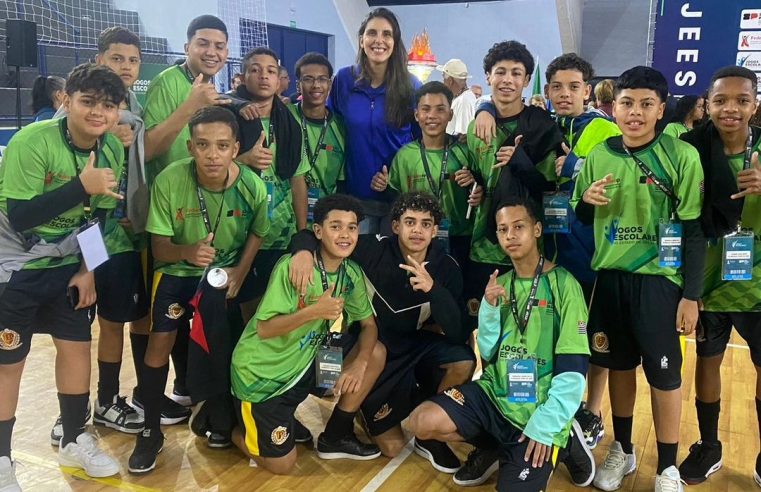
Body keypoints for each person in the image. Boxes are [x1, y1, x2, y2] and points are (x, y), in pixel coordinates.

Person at [571, 66, 706, 492]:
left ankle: (667, 467)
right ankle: (624, 449)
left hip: (660, 282)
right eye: (627, 103)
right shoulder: (599, 155)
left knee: (665, 375)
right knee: (619, 368)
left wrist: (692, 295)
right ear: (614, 107)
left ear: (661, 109)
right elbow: (580, 211)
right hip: (611, 278)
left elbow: (695, 229)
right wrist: (588, 202)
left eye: (646, 104)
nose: (635, 112)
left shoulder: (680, 155)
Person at [406, 195, 594, 491]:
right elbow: (490, 353)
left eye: (518, 226)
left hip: (538, 408)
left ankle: (565, 435)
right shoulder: (500, 285)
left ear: (537, 229)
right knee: (422, 421)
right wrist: (490, 309)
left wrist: (546, 426)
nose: (510, 235)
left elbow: (573, 369)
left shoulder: (564, 285)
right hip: (496, 394)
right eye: (503, 229)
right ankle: (496, 445)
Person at [0, 63, 127, 487]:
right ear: (67, 100)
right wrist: (80, 186)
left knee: (76, 350)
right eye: (88, 102)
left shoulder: (112, 150)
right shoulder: (31, 142)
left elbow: (101, 220)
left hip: (67, 268)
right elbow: (20, 216)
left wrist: (88, 270)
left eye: (108, 106)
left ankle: (74, 440)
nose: (98, 113)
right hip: (14, 268)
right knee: (8, 364)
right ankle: (1, 459)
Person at [127, 106, 269, 473]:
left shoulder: (252, 185)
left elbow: (258, 231)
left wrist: (240, 269)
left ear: (236, 148)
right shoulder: (171, 180)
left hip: (221, 276)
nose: (212, 154)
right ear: (190, 147)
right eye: (203, 145)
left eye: (222, 146)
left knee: (221, 347)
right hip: (176, 270)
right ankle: (150, 429)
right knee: (160, 342)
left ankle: (219, 420)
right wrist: (187, 252)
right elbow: (159, 249)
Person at [289, 192, 475, 471]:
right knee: (392, 447)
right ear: (395, 225)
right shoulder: (372, 249)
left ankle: (431, 437)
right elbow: (310, 235)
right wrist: (302, 252)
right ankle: (338, 427)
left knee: (464, 358)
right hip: (366, 343)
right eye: (410, 222)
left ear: (435, 231)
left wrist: (434, 290)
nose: (417, 230)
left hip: (412, 347)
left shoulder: (447, 267)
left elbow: (458, 331)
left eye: (426, 224)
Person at [230, 194, 386, 474]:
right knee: (282, 466)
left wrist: (360, 364)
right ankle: (222, 425)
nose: (345, 235)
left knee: (375, 352)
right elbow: (264, 329)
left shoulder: (351, 273)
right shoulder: (295, 267)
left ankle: (336, 435)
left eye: (352, 227)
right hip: (264, 377)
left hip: (306, 365)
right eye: (336, 226)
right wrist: (315, 312)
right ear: (318, 231)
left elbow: (369, 325)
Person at [49, 26, 150, 445]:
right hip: (73, 244)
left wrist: (134, 214)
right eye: (116, 58)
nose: (124, 66)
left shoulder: (137, 110)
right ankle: (69, 415)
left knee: (114, 324)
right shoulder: (72, 114)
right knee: (72, 331)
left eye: (131, 60)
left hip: (121, 238)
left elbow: (141, 170)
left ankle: (107, 400)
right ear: (98, 60)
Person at [140, 14, 232, 417]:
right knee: (159, 315)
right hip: (168, 215)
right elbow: (149, 147)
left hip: (204, 219)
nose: (211, 51)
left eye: (219, 46)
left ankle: (184, 387)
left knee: (196, 310)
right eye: (203, 43)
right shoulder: (168, 84)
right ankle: (148, 399)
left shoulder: (215, 89)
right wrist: (190, 105)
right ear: (187, 47)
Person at [677, 66, 761, 486]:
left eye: (741, 100)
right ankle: (709, 445)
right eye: (721, 100)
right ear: (706, 105)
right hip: (707, 284)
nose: (731, 108)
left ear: (754, 105)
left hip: (758, 286)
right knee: (706, 365)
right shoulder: (689, 149)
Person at [228, 47, 307, 320]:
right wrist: (243, 159)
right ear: (243, 77)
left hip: (278, 233)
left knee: (271, 311)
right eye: (255, 70)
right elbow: (208, 167)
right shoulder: (227, 115)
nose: (264, 76)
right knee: (237, 312)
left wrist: (303, 234)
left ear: (279, 79)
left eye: (271, 71)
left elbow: (298, 180)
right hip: (235, 230)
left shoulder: (290, 123)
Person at [329, 7, 421, 234]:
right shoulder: (344, 79)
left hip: (398, 199)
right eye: (372, 33)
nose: (379, 40)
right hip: (355, 197)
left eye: (387, 34)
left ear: (395, 42)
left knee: (392, 266)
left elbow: (423, 143)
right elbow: (328, 125)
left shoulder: (412, 87)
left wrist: (395, 176)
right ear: (361, 40)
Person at [383, 81, 481, 272]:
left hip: (460, 238)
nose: (432, 116)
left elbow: (480, 189)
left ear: (450, 114)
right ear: (416, 115)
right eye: (426, 109)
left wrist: (475, 186)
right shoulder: (405, 156)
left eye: (440, 109)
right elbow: (394, 198)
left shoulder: (465, 151)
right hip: (416, 239)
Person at [287, 52, 346, 224]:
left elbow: (342, 181)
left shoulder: (340, 126)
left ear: (330, 83)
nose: (316, 85)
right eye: (308, 79)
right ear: (298, 85)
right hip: (286, 217)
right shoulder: (285, 116)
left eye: (322, 79)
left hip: (325, 215)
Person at [437, 58, 477, 135]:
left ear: (450, 81)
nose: (443, 82)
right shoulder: (463, 98)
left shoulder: (463, 101)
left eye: (444, 79)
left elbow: (462, 137)